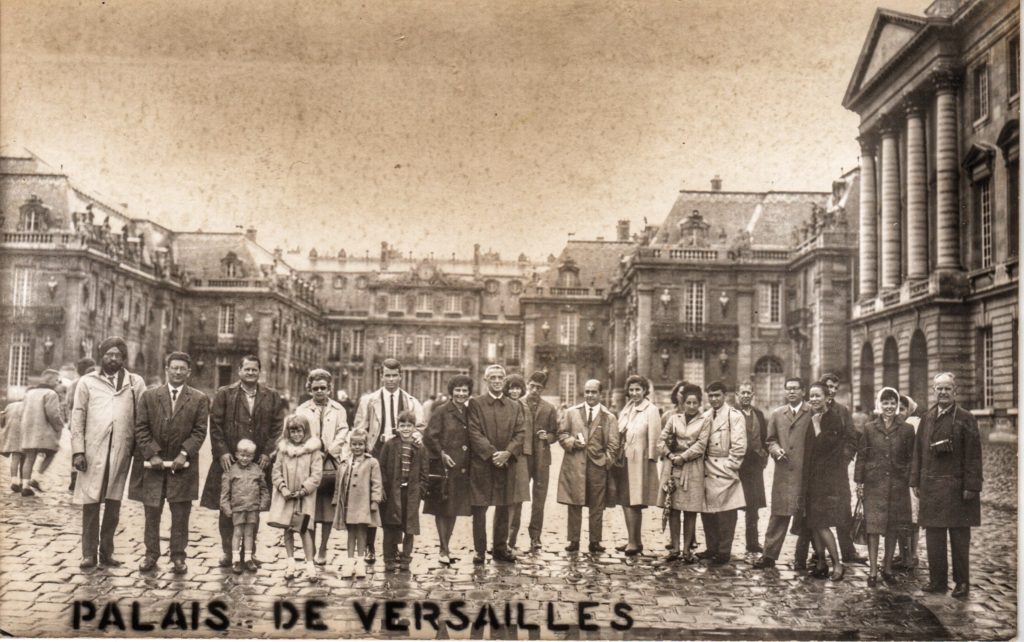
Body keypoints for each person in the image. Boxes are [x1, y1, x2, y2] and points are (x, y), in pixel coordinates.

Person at [200, 355, 287, 569]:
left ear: (259, 372)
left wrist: (267, 453)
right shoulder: (224, 394)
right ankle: (228, 552)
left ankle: (249, 554)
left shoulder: (271, 396)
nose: (250, 373)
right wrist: (221, 453)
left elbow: (278, 427)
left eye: (254, 370)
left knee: (251, 509)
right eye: (246, 369)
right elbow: (216, 425)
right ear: (239, 371)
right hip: (230, 461)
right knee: (227, 507)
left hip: (257, 463)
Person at [130, 352, 209, 574]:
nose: (177, 372)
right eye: (174, 368)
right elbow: (141, 428)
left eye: (182, 368)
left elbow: (200, 430)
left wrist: (184, 454)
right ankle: (150, 554)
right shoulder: (149, 396)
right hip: (153, 467)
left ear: (189, 372)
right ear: (167, 369)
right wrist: (151, 453)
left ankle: (178, 556)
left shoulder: (199, 399)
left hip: (182, 467)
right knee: (152, 512)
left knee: (181, 514)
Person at [71, 336, 146, 569]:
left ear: (124, 358)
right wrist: (78, 451)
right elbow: (78, 417)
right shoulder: (87, 382)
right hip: (93, 451)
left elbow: (143, 417)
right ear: (101, 356)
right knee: (91, 502)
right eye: (108, 354)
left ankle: (106, 551)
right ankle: (88, 553)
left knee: (113, 505)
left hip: (121, 451)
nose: (113, 359)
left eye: (117, 355)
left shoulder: (135, 383)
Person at [911, 372, 982, 598]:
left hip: (957, 488)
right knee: (934, 536)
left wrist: (972, 485)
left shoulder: (965, 418)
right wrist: (915, 480)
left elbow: (973, 455)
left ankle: (962, 582)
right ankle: (937, 580)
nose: (942, 392)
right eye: (938, 388)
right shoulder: (927, 417)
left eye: (947, 388)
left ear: (955, 391)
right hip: (931, 488)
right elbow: (918, 453)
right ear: (933, 391)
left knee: (960, 538)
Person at [352, 358, 424, 564]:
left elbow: (420, 427)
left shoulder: (411, 401)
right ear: (381, 376)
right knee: (373, 501)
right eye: (387, 375)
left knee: (396, 502)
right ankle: (369, 547)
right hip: (376, 453)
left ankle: (393, 547)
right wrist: (365, 449)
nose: (391, 379)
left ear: (400, 376)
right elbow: (359, 429)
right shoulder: (369, 400)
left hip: (401, 456)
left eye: (394, 375)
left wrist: (413, 437)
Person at [467, 364, 526, 564]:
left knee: (503, 505)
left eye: (500, 377)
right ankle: (480, 550)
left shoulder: (514, 405)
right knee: (480, 508)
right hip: (483, 464)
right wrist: (493, 454)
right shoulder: (476, 403)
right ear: (486, 380)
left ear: (505, 380)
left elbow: (520, 433)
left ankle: (500, 548)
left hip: (506, 463)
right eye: (492, 377)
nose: (497, 381)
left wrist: (508, 453)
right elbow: (474, 432)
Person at [854, 387, 914, 587]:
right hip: (874, 485)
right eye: (885, 402)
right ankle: (872, 571)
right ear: (879, 405)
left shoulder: (906, 429)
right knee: (873, 528)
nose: (889, 407)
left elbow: (911, 458)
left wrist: (906, 477)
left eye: (893, 403)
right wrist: (859, 482)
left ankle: (887, 568)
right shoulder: (870, 428)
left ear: (897, 405)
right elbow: (862, 456)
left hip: (898, 487)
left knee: (892, 528)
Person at [753, 377, 812, 570]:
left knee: (805, 516)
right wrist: (776, 449)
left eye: (795, 389)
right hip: (784, 472)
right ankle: (769, 555)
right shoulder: (778, 414)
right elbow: (769, 440)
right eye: (788, 389)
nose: (791, 392)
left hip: (805, 473)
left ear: (803, 391)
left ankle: (801, 558)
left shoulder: (811, 412)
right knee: (778, 514)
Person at [557, 379, 618, 554]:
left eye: (593, 392)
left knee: (597, 506)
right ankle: (573, 540)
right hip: (575, 465)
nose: (590, 395)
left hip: (598, 467)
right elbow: (562, 434)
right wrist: (571, 442)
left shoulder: (609, 417)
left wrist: (606, 461)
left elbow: (614, 444)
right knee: (574, 504)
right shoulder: (571, 413)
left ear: (600, 394)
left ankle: (595, 541)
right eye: (587, 392)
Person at [797, 381, 850, 581]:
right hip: (812, 478)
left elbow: (826, 447)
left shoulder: (833, 419)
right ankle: (820, 563)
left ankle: (837, 563)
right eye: (811, 396)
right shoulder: (813, 416)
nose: (814, 399)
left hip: (826, 480)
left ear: (827, 398)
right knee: (813, 522)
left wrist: (818, 425)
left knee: (821, 523)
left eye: (818, 395)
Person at [295, 369, 348, 565]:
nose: (319, 391)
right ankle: (311, 547)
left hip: (330, 464)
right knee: (309, 508)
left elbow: (343, 431)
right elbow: (296, 433)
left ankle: (324, 547)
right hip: (308, 462)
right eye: (315, 388)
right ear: (309, 389)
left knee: (326, 509)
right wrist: (312, 448)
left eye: (323, 388)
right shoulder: (302, 409)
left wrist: (331, 448)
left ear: (329, 389)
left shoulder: (338, 409)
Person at [422, 375, 474, 565]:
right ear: (451, 392)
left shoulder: (470, 412)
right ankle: (443, 549)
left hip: (462, 467)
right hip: (445, 466)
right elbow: (429, 436)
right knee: (442, 507)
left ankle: (446, 547)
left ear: (469, 393)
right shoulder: (441, 411)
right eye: (457, 390)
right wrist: (442, 454)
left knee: (453, 509)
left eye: (464, 390)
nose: (461, 394)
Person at [656, 382, 709, 563]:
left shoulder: (705, 421)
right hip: (672, 466)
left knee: (690, 510)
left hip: (693, 468)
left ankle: (687, 550)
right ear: (683, 403)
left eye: (695, 403)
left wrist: (684, 456)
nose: (692, 406)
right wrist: (670, 454)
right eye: (688, 403)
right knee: (673, 508)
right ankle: (675, 548)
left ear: (700, 403)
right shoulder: (674, 419)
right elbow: (661, 441)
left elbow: (701, 445)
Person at [608, 374, 660, 556]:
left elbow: (655, 438)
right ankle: (634, 539)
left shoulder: (651, 410)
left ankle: (633, 542)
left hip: (639, 463)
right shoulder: (627, 408)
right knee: (625, 500)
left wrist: (651, 460)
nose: (634, 393)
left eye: (638, 389)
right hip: (624, 460)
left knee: (634, 502)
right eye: (631, 390)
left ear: (645, 390)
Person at [267, 414, 324, 581]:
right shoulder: (283, 451)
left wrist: (304, 490)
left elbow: (316, 475)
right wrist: (283, 488)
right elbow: (275, 472)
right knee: (288, 528)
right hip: (286, 497)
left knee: (305, 529)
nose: (296, 435)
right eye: (293, 431)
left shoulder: (313, 452)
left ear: (305, 432)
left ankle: (309, 564)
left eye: (299, 431)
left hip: (303, 498)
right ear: (288, 432)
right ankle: (290, 562)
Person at [698, 381, 746, 565]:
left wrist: (730, 467)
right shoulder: (706, 416)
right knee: (708, 512)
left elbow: (740, 446)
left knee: (726, 513)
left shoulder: (734, 416)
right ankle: (712, 547)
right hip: (708, 469)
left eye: (717, 395)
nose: (714, 399)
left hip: (724, 468)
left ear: (725, 396)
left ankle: (724, 550)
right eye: (710, 396)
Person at [510, 371, 559, 551]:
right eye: (532, 386)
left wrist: (548, 437)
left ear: (543, 389)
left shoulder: (549, 408)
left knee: (539, 499)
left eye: (539, 388)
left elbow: (556, 433)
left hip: (541, 458)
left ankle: (535, 536)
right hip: (522, 458)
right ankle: (511, 537)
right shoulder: (516, 404)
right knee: (517, 498)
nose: (535, 390)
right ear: (527, 385)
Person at [820, 372, 866, 565]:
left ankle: (848, 551)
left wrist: (844, 459)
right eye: (828, 387)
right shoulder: (813, 408)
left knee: (843, 511)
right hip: (817, 471)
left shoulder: (842, 411)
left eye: (834, 388)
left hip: (837, 471)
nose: (831, 391)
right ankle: (818, 552)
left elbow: (851, 438)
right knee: (816, 513)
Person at [379, 410, 428, 572]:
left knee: (409, 526)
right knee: (391, 525)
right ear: (397, 427)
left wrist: (420, 489)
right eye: (402, 425)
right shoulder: (390, 444)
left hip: (411, 493)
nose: (406, 428)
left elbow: (424, 472)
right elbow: (382, 467)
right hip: (393, 492)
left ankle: (406, 557)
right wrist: (384, 488)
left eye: (409, 425)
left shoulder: (419, 448)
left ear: (414, 427)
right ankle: (389, 557)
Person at [333, 428, 382, 578]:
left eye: (360, 444)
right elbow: (339, 482)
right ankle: (349, 562)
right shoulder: (345, 462)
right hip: (348, 504)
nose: (357, 447)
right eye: (354, 444)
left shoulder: (372, 462)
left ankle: (360, 562)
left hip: (363, 505)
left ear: (365, 445)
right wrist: (336, 499)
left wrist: (375, 501)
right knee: (351, 533)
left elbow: (377, 483)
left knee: (362, 533)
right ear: (350, 445)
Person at [219, 439, 271, 574]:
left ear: (253, 456)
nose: (244, 458)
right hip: (238, 508)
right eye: (242, 455)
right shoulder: (231, 470)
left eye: (248, 456)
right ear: (236, 454)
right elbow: (225, 492)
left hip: (252, 508)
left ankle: (248, 558)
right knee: (237, 533)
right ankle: (235, 559)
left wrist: (263, 503)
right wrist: (226, 507)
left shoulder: (257, 470)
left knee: (249, 534)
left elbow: (264, 489)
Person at [14, 369, 64, 495]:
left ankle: (25, 486)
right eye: (56, 380)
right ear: (50, 380)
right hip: (44, 431)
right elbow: (53, 413)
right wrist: (59, 426)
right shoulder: (51, 394)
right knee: (52, 452)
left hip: (28, 429)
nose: (57, 382)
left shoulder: (29, 393)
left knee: (29, 457)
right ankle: (36, 478)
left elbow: (22, 410)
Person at [734, 381, 768, 554]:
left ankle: (752, 542)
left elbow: (765, 438)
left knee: (752, 507)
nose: (746, 396)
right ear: (737, 395)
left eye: (749, 393)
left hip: (754, 467)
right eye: (743, 392)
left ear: (753, 395)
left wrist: (764, 455)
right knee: (730, 506)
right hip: (736, 466)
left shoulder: (759, 415)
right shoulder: (732, 413)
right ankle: (723, 545)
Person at [503, 374, 534, 551]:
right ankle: (500, 539)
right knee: (504, 501)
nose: (515, 391)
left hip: (521, 458)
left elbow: (527, 433)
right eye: (512, 388)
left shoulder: (525, 407)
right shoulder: (504, 406)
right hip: (507, 456)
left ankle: (511, 540)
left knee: (518, 500)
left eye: (518, 388)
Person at [894, 394, 922, 570]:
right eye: (898, 409)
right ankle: (905, 554)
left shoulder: (914, 424)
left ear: (909, 410)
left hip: (911, 480)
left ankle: (911, 555)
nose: (900, 412)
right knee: (902, 519)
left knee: (911, 520)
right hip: (900, 479)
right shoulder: (897, 425)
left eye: (903, 409)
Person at [64, 358, 96, 492]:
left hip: (75, 420)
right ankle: (85, 480)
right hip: (90, 421)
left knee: (76, 450)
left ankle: (74, 478)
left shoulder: (73, 384)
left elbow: (69, 403)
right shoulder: (94, 382)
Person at [1, 399, 25, 491]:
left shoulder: (10, 406)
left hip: (12, 435)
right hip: (25, 435)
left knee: (15, 458)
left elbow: (2, 420)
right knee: (25, 460)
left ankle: (14, 481)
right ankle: (23, 482)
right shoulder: (29, 406)